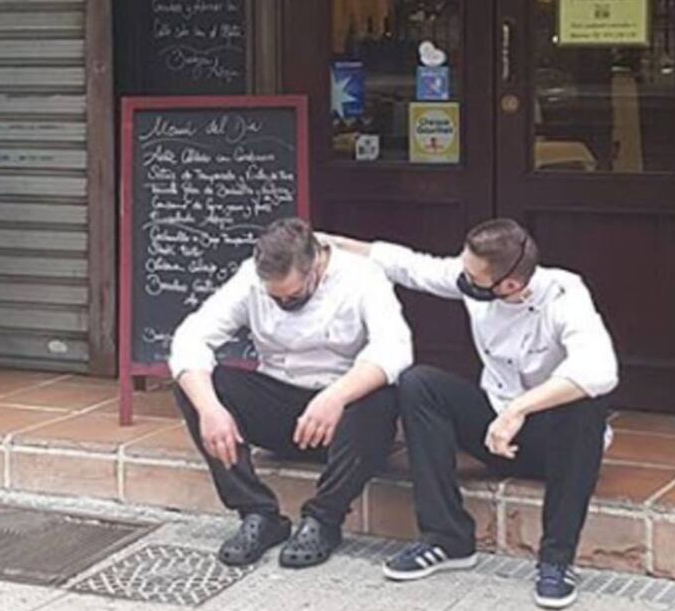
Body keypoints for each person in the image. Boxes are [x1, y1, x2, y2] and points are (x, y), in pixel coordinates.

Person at [328, 218, 618, 609]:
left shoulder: (565, 292)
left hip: (557, 444)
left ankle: (556, 560)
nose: (462, 278)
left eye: (472, 275)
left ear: (510, 285)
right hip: (494, 430)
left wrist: (520, 408)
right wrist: (332, 243)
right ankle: (446, 538)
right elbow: (410, 265)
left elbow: (600, 369)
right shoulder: (477, 282)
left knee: (586, 402)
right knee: (418, 383)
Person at [169, 217, 413, 569]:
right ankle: (257, 513)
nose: (284, 302)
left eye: (294, 295)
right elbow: (191, 337)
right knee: (197, 384)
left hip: (342, 420)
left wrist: (336, 397)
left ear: (315, 265)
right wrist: (210, 409)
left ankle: (323, 520)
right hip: (281, 408)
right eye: (275, 297)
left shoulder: (362, 276)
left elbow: (395, 349)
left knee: (381, 397)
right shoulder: (249, 277)